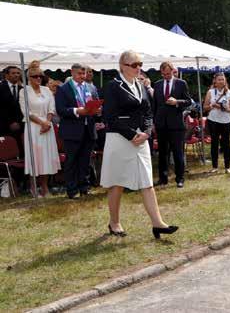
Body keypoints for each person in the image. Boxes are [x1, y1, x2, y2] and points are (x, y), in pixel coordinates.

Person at [100, 50, 178, 239]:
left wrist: (147, 132)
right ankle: (114, 222)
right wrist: (131, 134)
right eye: (134, 65)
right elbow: (109, 117)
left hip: (141, 138)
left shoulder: (140, 85)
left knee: (147, 182)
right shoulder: (113, 86)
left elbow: (148, 112)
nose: (138, 68)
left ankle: (158, 223)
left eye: (140, 64)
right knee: (117, 183)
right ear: (122, 66)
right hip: (120, 138)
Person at [55, 63, 100, 199]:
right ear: (72, 73)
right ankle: (72, 190)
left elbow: (96, 102)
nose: (82, 76)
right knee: (71, 161)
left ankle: (84, 188)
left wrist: (98, 110)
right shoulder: (63, 89)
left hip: (88, 129)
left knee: (85, 161)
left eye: (84, 73)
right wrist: (76, 111)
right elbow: (61, 110)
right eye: (80, 74)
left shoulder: (91, 87)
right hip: (72, 131)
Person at [19, 61, 61, 197]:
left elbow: (51, 108)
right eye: (35, 76)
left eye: (40, 76)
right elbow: (26, 111)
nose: (38, 79)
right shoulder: (23, 91)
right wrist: (41, 123)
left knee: (46, 157)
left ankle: (45, 187)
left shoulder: (47, 90)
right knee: (35, 156)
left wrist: (47, 123)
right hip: (33, 127)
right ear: (29, 78)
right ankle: (33, 186)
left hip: (47, 126)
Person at [152, 61, 192, 188]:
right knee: (162, 153)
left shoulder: (181, 83)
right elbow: (155, 105)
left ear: (173, 71)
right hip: (161, 124)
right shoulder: (157, 85)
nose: (166, 76)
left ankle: (180, 178)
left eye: (168, 74)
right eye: (163, 74)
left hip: (176, 125)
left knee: (177, 153)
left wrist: (177, 102)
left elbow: (188, 101)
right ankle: (163, 178)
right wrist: (153, 122)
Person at [203, 72, 230, 173]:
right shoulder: (210, 92)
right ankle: (215, 167)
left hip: (226, 121)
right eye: (219, 79)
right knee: (214, 143)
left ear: (225, 81)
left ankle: (227, 167)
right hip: (213, 120)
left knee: (226, 144)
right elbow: (205, 107)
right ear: (215, 81)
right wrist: (211, 106)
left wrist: (225, 109)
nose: (221, 81)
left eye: (223, 79)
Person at [0, 66, 24, 153]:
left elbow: (23, 109)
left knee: (21, 151)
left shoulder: (22, 90)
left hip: (20, 127)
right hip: (4, 127)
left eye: (18, 73)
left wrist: (18, 122)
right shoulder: (1, 87)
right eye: (13, 73)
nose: (16, 75)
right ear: (6, 75)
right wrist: (10, 122)